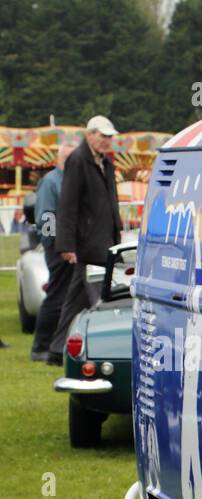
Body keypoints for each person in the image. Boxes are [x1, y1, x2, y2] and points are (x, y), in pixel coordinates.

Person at [51, 116, 122, 363]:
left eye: (109, 136)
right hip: (89, 244)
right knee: (100, 299)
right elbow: (67, 205)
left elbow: (111, 202)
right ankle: (102, 349)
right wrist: (67, 245)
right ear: (89, 135)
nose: (107, 141)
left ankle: (57, 349)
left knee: (76, 299)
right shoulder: (78, 160)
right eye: (103, 136)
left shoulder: (106, 163)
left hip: (103, 240)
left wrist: (117, 231)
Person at [29, 139, 78, 363]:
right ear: (60, 158)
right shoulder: (51, 182)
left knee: (67, 297)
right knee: (57, 296)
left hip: (71, 246)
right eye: (68, 157)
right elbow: (46, 217)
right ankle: (40, 346)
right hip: (59, 248)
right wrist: (58, 244)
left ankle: (56, 343)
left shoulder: (71, 180)